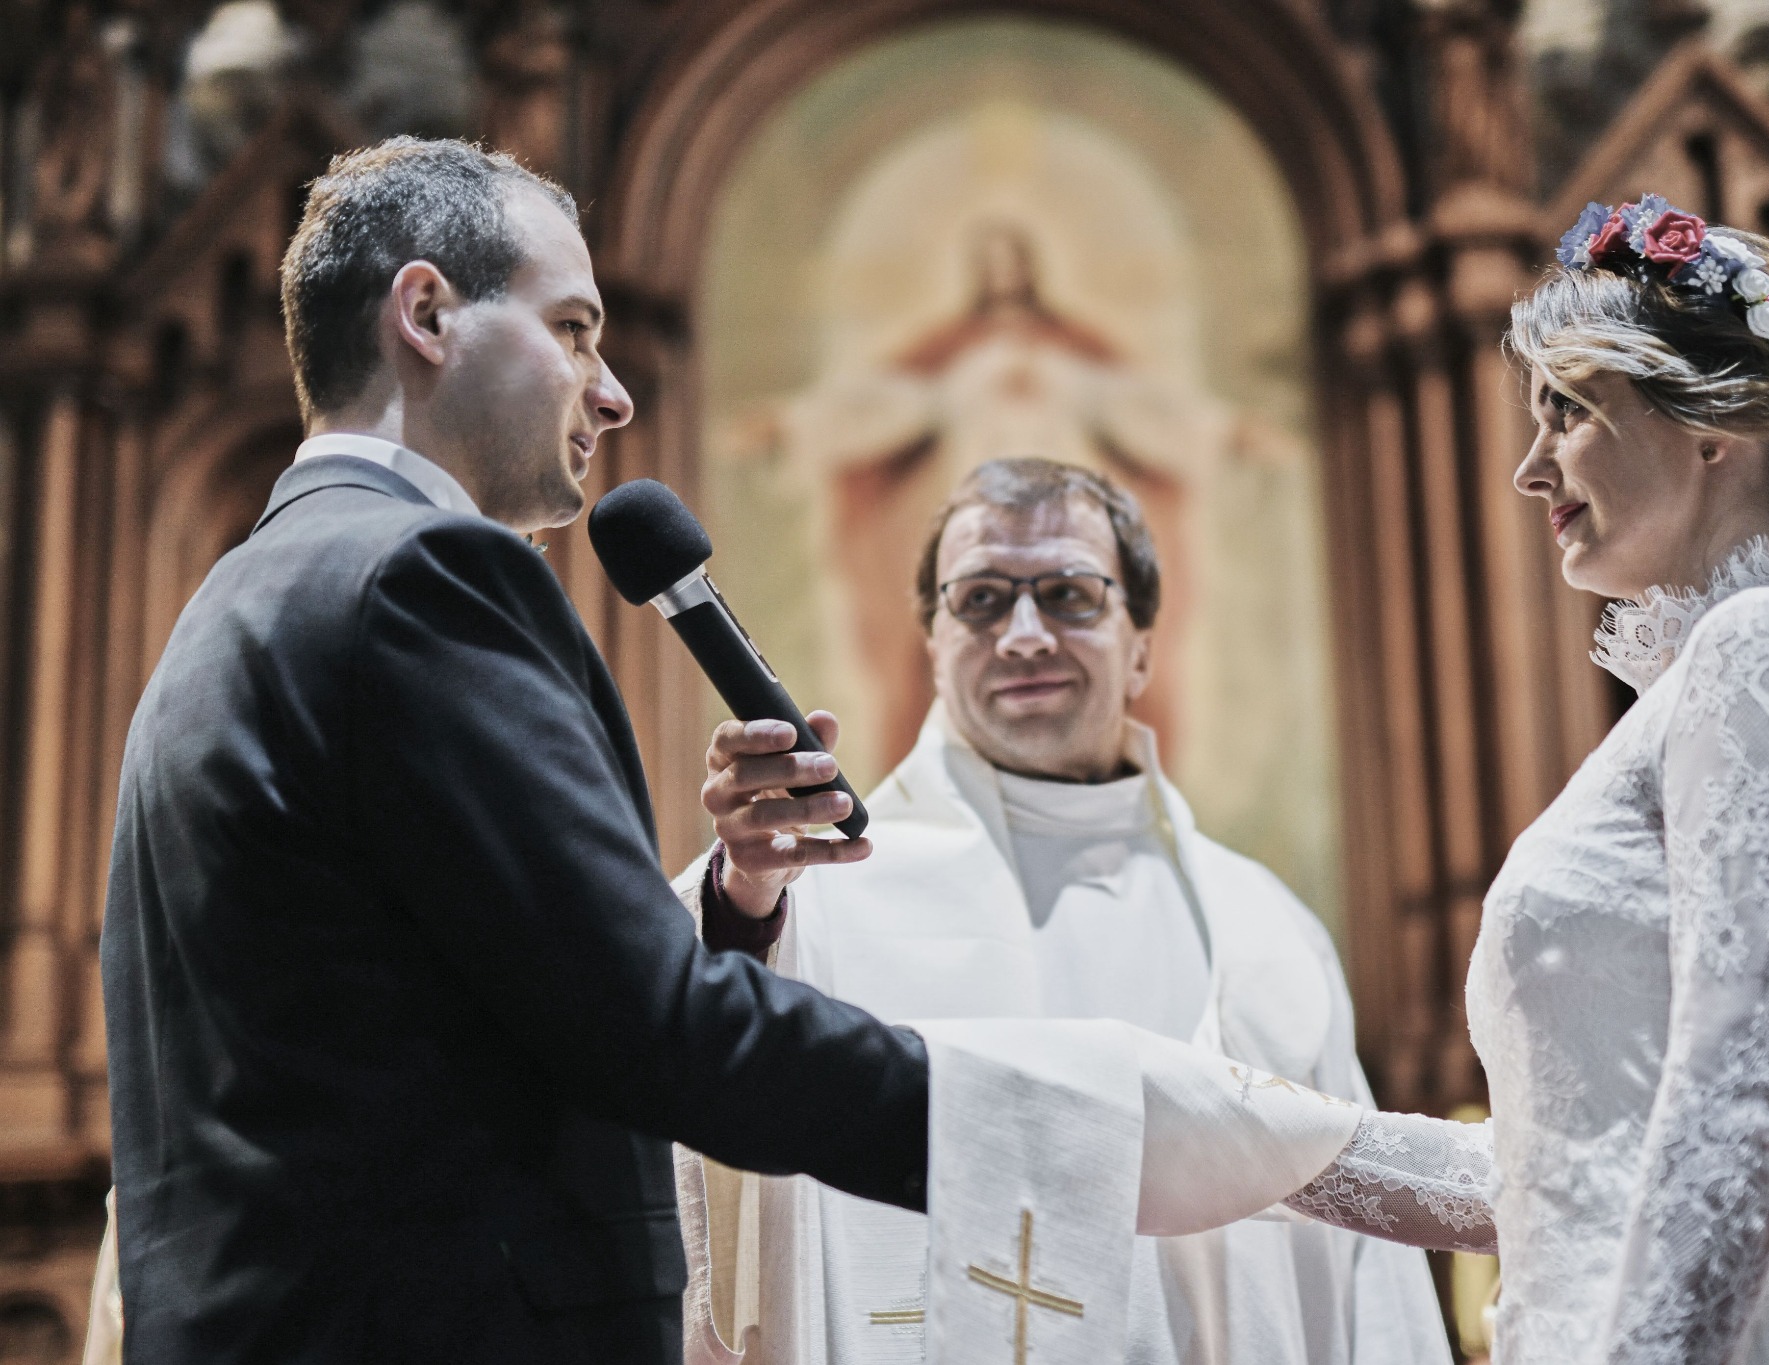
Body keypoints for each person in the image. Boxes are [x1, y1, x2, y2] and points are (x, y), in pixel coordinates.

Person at [95, 137, 931, 1365]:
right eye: (574, 329)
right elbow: (651, 1032)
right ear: (426, 314)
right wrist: (1030, 1123)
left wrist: (732, 906)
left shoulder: (239, 595)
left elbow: (431, 1009)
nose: (613, 393)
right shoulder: (422, 573)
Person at [1272, 197, 1769, 1363]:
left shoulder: (1767, 648)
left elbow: (1737, 1111)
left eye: (1569, 412)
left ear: (1712, 427)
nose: (1526, 466)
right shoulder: (1711, 675)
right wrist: (1247, 1143)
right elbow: (1569, 1165)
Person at [675, 457, 1451, 1364]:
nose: (1025, 634)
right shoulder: (817, 884)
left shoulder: (1266, 927)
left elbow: (1369, 1271)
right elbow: (691, 1028)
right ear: (931, 641)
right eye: (981, 599)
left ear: (1143, 645)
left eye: (1071, 594)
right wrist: (743, 896)